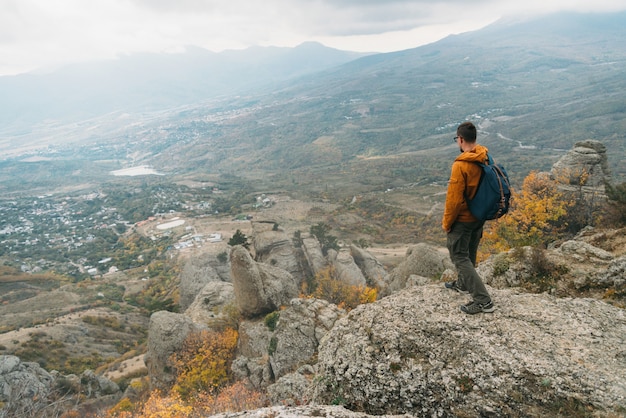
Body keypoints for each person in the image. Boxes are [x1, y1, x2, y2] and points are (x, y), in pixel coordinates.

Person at [442, 121, 495, 314]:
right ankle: (463, 284)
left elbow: (454, 200)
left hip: (463, 219)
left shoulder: (461, 165)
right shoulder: (485, 156)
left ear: (461, 139)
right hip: (479, 216)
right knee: (470, 252)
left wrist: (447, 223)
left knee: (460, 257)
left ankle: (483, 301)